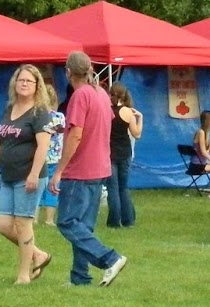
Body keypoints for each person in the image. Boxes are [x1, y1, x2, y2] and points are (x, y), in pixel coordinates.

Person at [48, 53, 127, 288]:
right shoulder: (101, 93)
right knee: (84, 225)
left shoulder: (80, 95)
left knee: (67, 221)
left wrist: (59, 170)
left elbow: (76, 134)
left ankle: (110, 258)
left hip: (80, 169)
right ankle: (80, 277)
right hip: (99, 166)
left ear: (68, 72)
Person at [0, 65, 54, 284]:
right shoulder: (10, 108)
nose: (24, 84)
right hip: (9, 175)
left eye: (29, 81)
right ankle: (38, 254)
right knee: (2, 224)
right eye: (20, 80)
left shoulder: (39, 112)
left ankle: (23, 275)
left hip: (29, 176)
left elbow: (43, 146)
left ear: (36, 86)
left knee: (23, 224)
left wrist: (33, 174)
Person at [105, 81, 143, 228]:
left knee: (112, 188)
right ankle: (128, 220)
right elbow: (137, 134)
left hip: (110, 153)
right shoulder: (128, 111)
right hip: (125, 152)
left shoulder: (106, 111)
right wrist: (141, 119)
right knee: (123, 187)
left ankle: (114, 221)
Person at [39, 105, 67, 224]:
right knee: (53, 189)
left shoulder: (37, 116)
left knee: (36, 189)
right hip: (54, 158)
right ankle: (49, 219)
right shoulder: (59, 116)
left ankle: (33, 217)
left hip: (39, 158)